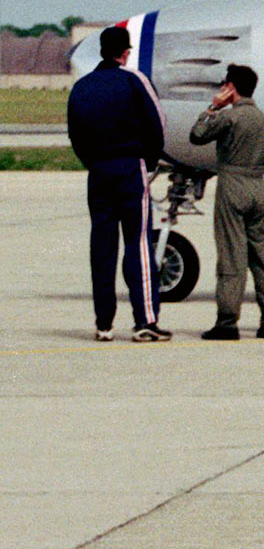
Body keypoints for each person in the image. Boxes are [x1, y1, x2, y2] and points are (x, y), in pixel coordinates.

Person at [67, 25, 170, 342]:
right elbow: (158, 125)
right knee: (137, 244)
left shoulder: (81, 87)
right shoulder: (133, 79)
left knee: (102, 247)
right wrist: (149, 162)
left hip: (97, 171)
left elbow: (75, 134)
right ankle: (145, 320)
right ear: (125, 52)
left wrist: (93, 163)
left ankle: (103, 324)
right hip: (129, 168)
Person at [189, 64, 264, 340]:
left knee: (232, 254)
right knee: (261, 254)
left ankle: (227, 321)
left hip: (233, 184)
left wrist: (212, 108)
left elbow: (197, 135)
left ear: (232, 88)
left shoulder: (230, 118)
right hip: (257, 186)